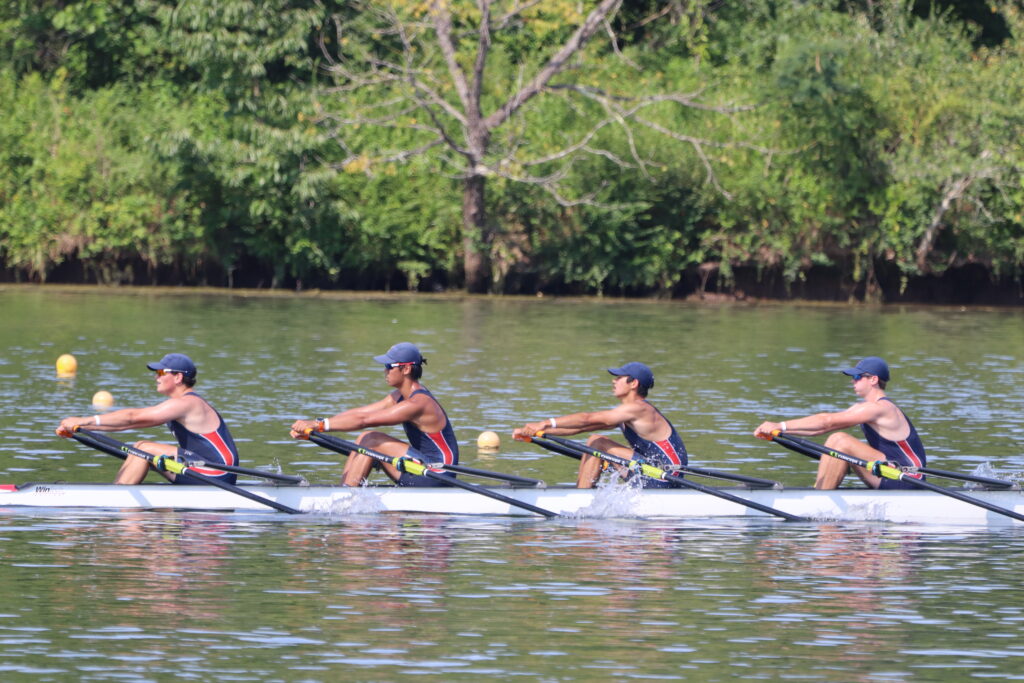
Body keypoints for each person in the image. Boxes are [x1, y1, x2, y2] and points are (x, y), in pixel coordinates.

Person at [289, 342, 459, 486]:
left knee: (371, 440)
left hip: (437, 473)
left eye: (388, 366)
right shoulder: (399, 396)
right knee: (363, 439)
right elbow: (361, 412)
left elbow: (364, 420)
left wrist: (318, 425)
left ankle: (347, 497)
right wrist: (316, 427)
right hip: (420, 466)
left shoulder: (418, 403)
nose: (385, 371)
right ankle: (345, 490)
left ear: (406, 369)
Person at [56, 353, 239, 485]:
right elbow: (129, 423)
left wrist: (85, 420)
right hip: (201, 466)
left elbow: (132, 419)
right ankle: (119, 490)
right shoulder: (182, 403)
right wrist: (79, 429)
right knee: (139, 447)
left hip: (217, 472)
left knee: (144, 448)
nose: (156, 377)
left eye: (160, 373)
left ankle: (117, 495)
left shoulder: (187, 403)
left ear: (178, 377)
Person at [753, 356, 927, 490]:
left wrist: (780, 425)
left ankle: (820, 498)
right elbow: (818, 430)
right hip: (886, 473)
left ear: (873, 380)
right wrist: (780, 434)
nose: (853, 381)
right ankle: (820, 491)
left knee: (839, 440)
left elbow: (826, 422)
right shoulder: (864, 408)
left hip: (906, 479)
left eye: (858, 377)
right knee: (835, 442)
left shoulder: (881, 408)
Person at [514, 362, 687, 488]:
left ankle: (581, 497)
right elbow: (581, 428)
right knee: (594, 440)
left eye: (619, 378)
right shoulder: (629, 413)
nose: (614, 381)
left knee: (598, 443)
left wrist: (545, 422)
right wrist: (536, 432)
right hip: (650, 472)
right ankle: (582, 491)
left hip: (665, 478)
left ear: (633, 383)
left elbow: (587, 418)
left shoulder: (639, 409)